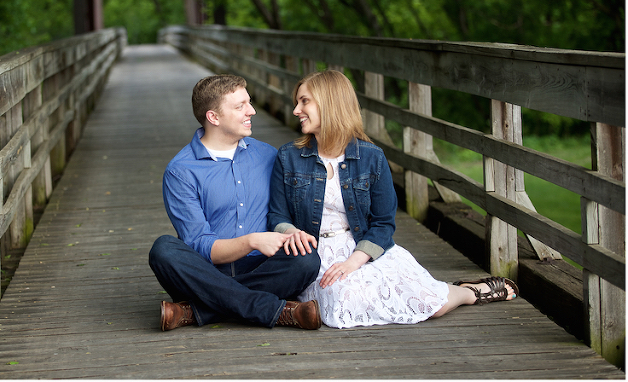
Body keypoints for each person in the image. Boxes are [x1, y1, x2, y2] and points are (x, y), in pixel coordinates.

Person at [267, 70, 519, 328]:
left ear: (330, 102)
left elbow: (384, 222)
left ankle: (469, 292)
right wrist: (291, 232)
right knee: (342, 301)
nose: (296, 109)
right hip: (314, 255)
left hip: (362, 248)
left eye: (304, 101)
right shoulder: (288, 156)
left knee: (431, 304)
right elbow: (277, 215)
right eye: (297, 101)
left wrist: (355, 261)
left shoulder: (371, 157)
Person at [149, 74, 322, 331]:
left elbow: (283, 213)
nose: (251, 111)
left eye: (249, 103)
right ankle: (276, 310)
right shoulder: (181, 171)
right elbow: (199, 244)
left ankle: (194, 311)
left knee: (306, 260)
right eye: (240, 106)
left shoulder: (269, 155)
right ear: (213, 117)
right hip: (207, 272)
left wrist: (289, 232)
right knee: (163, 250)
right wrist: (251, 240)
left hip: (262, 268)